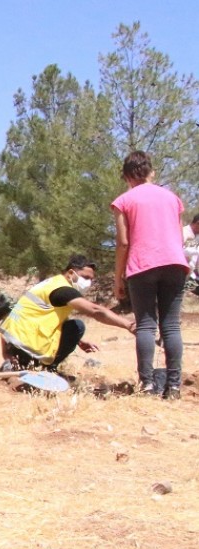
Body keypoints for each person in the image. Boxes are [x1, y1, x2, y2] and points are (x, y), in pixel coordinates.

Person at [111, 150, 189, 399]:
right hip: (175, 263)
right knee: (171, 325)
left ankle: (147, 385)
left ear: (126, 177)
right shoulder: (172, 198)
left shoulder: (124, 201)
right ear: (151, 172)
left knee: (146, 325)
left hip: (143, 265)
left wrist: (118, 277)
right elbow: (178, 236)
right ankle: (174, 386)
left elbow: (123, 242)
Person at [0, 255, 136, 374]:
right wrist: (128, 325)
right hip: (27, 346)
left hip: (13, 344)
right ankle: (46, 369)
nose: (88, 282)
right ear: (70, 273)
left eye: (91, 279)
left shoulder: (51, 283)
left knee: (73, 327)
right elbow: (96, 311)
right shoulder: (62, 290)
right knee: (78, 326)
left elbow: (46, 317)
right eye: (85, 277)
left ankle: (16, 363)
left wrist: (79, 341)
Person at [183, 213, 199, 290]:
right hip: (181, 273)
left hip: (191, 274)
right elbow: (181, 251)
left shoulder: (197, 236)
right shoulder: (184, 233)